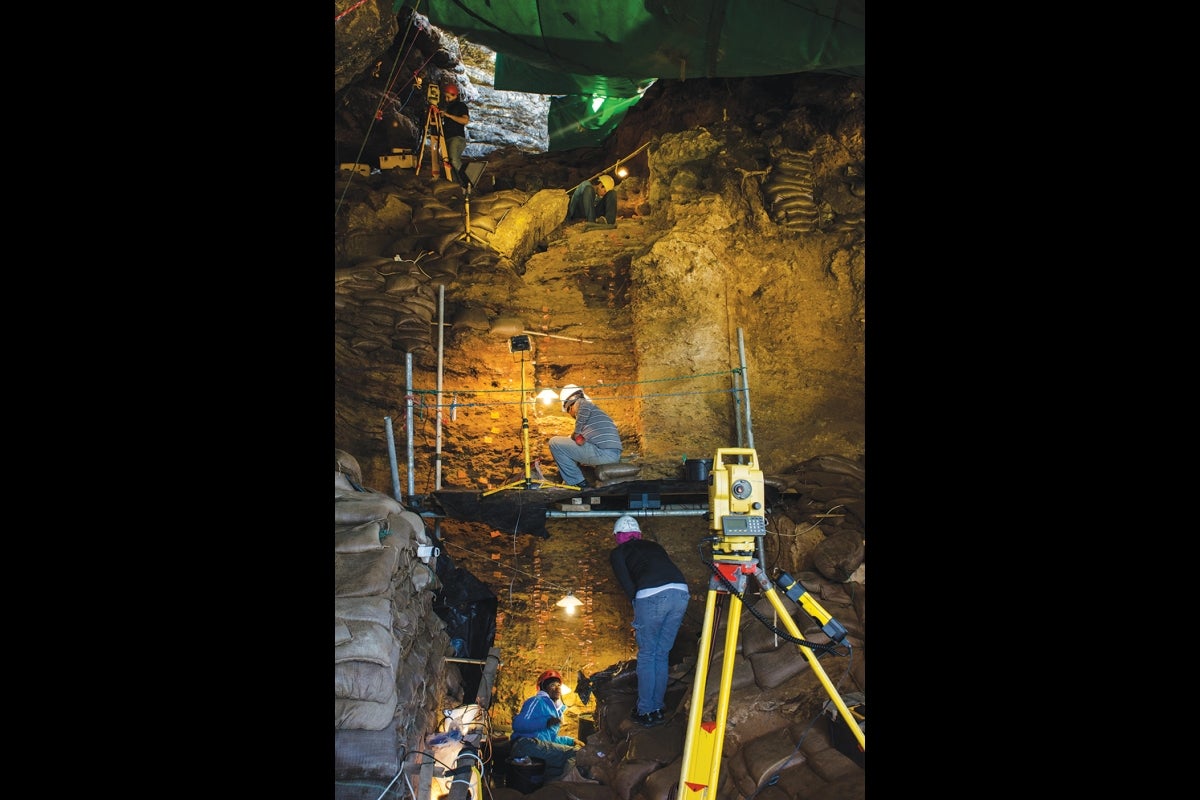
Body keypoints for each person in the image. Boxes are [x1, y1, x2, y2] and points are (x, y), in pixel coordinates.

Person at [608, 515, 690, 727]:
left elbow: (628, 584)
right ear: (638, 534)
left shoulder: (618, 552)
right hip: (680, 591)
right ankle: (657, 708)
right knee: (661, 654)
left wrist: (638, 611)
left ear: (618, 536)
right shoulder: (654, 546)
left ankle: (646, 711)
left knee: (647, 655)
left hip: (651, 595)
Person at [509, 669, 582, 780]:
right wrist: (546, 722)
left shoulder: (555, 710)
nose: (557, 688)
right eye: (552, 685)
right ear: (543, 687)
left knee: (557, 770)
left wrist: (571, 741)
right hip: (525, 744)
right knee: (576, 753)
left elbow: (549, 740)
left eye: (559, 685)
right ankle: (566, 786)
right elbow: (518, 724)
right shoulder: (536, 701)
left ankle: (550, 790)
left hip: (537, 745)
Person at [548, 384, 622, 489]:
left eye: (570, 413)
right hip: (611, 453)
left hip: (604, 453)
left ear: (570, 405)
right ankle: (577, 480)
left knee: (554, 443)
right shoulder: (595, 414)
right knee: (567, 441)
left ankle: (578, 483)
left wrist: (576, 432)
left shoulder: (582, 404)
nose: (572, 416)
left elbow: (583, 410)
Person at [433, 83, 470, 187]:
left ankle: (466, 182)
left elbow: (465, 120)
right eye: (445, 96)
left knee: (454, 159)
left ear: (455, 95)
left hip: (457, 138)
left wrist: (448, 115)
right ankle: (456, 184)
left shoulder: (461, 106)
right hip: (448, 138)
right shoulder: (448, 107)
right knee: (448, 162)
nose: (447, 99)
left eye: (449, 97)